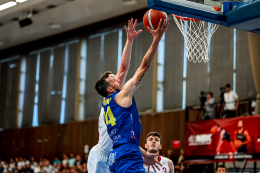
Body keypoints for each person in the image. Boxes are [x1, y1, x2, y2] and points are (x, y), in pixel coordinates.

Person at [95, 18, 168, 172]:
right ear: (110, 88)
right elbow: (144, 66)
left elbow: (123, 67)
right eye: (113, 79)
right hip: (120, 153)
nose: (118, 78)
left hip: (115, 154)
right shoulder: (120, 96)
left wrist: (144, 154)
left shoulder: (106, 103)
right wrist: (157, 39)